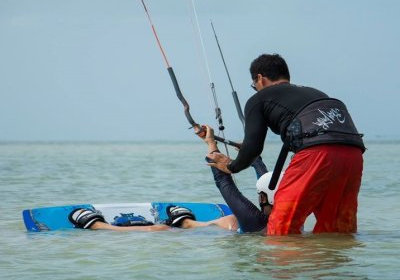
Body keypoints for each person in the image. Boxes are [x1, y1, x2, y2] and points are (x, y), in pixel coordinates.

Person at [207, 53, 365, 235]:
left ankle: (283, 263)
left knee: (282, 226)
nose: (256, 89)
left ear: (260, 78)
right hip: (353, 152)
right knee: (338, 228)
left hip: (317, 152)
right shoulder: (316, 93)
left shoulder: (259, 99)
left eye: (254, 85)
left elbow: (253, 148)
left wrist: (232, 167)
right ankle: (331, 261)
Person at [68, 126, 280, 233]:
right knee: (231, 221)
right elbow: (269, 182)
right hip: (262, 243)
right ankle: (188, 223)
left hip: (252, 237)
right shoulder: (289, 214)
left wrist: (210, 143)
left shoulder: (256, 221)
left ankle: (97, 227)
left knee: (161, 229)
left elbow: (223, 182)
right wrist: (254, 158)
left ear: (263, 198)